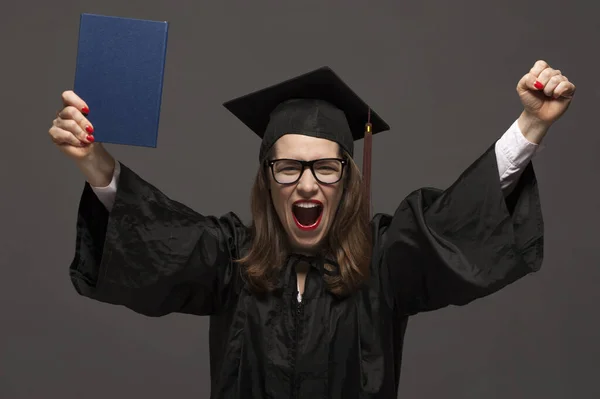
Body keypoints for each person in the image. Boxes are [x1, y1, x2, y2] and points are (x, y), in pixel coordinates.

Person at [49, 60, 575, 398]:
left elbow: (456, 220)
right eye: (289, 167)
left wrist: (532, 125)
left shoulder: (385, 260)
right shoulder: (229, 260)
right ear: (268, 178)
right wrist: (93, 159)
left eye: (326, 166)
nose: (307, 183)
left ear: (346, 179)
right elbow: (156, 234)